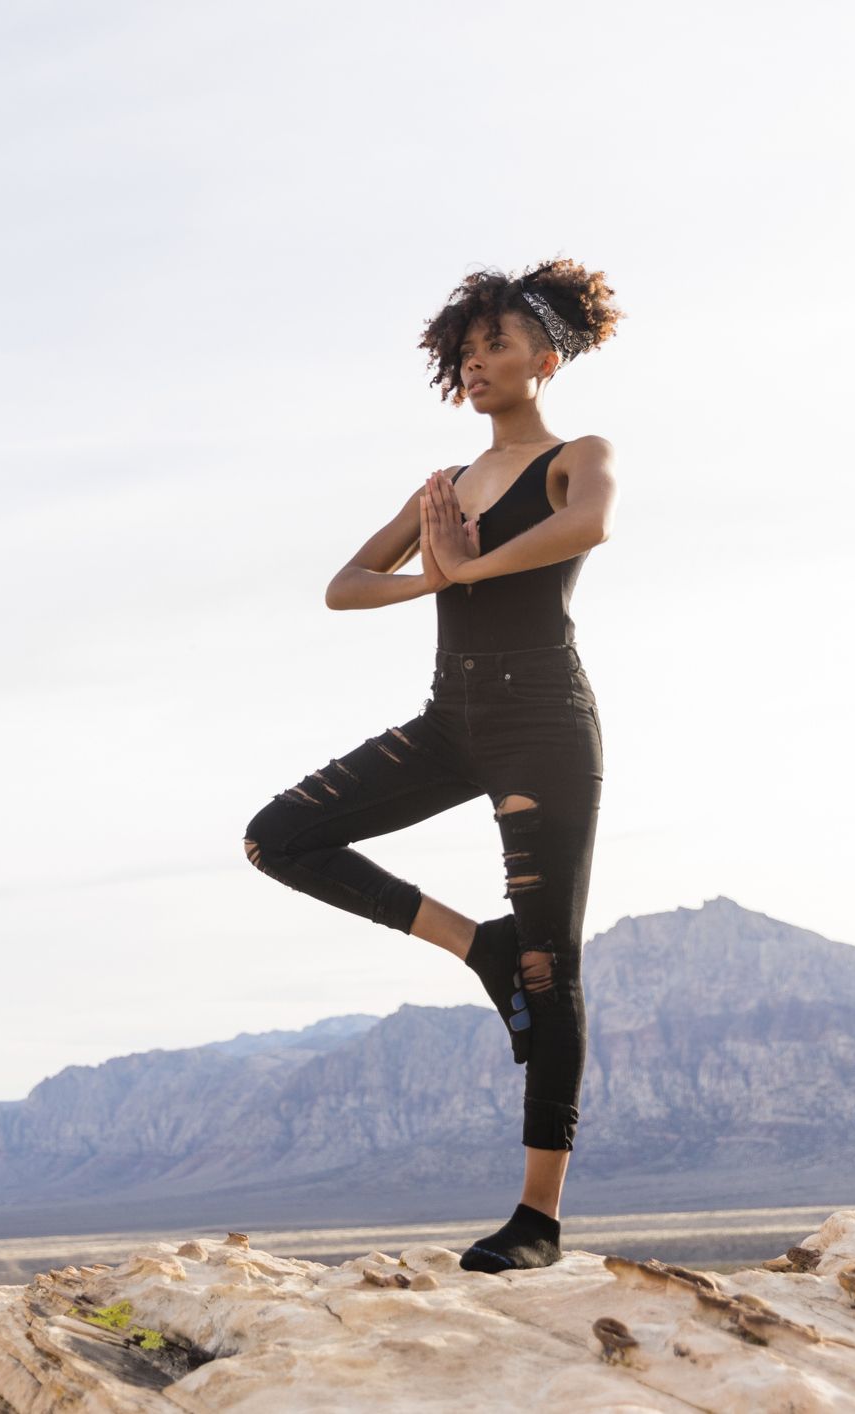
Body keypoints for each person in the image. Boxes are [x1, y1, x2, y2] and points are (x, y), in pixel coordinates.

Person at [241, 257, 624, 1274]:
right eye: (467, 348)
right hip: (451, 719)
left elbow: (590, 523)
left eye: (498, 343)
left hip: (543, 718)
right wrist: (430, 579)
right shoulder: (442, 487)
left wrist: (470, 566)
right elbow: (342, 584)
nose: (479, 360)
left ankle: (537, 1218)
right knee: (278, 836)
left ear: (546, 359)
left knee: (554, 967)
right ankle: (475, 947)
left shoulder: (576, 455)